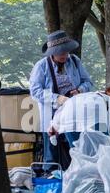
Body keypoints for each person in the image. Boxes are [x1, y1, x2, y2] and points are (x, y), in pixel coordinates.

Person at [29, 30, 93, 168]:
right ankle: (51, 175)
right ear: (52, 52)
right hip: (51, 113)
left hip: (74, 113)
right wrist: (57, 98)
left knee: (75, 145)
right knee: (52, 148)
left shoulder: (75, 61)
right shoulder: (41, 66)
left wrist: (79, 90)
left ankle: (75, 171)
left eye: (66, 51)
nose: (64, 55)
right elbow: (35, 91)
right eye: (60, 52)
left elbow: (88, 82)